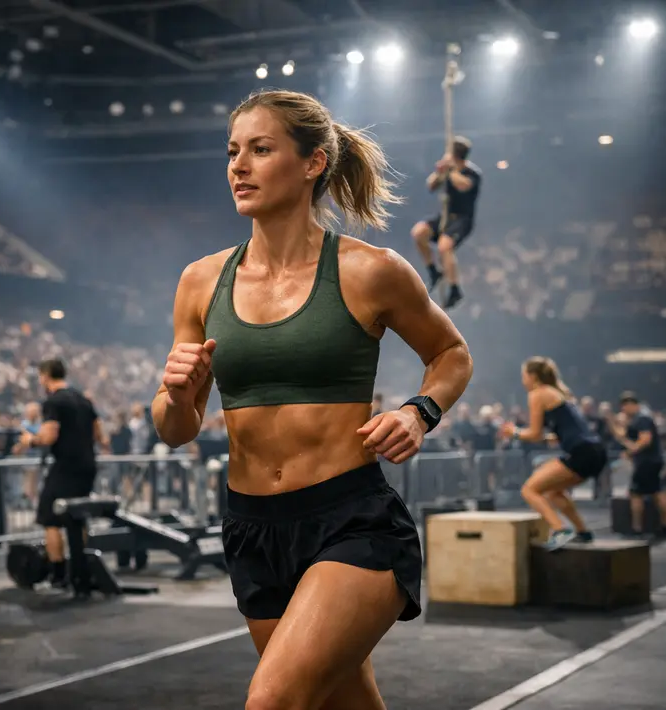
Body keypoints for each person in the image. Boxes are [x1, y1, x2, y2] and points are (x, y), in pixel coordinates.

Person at [153, 89, 473, 709]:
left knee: (272, 702)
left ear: (312, 163)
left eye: (261, 149)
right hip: (252, 529)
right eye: (232, 152)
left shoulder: (369, 270)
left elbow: (451, 354)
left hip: (350, 523)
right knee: (343, 704)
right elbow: (175, 429)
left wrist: (418, 412)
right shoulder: (200, 280)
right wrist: (174, 394)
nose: (238, 166)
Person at [12, 359, 109, 594]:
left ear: (45, 376)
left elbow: (48, 437)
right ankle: (80, 569)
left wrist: (29, 440)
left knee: (50, 519)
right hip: (87, 465)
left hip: (65, 466)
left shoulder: (53, 401)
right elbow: (101, 436)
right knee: (77, 517)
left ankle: (58, 575)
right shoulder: (83, 399)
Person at [500, 357, 606, 551]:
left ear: (533, 376)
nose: (523, 381)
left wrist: (514, 432)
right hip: (595, 451)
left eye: (524, 376)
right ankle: (583, 532)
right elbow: (554, 436)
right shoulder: (556, 392)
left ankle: (560, 530)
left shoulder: (537, 394)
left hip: (582, 452)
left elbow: (534, 433)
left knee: (529, 490)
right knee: (552, 491)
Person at [410, 136, 481, 309]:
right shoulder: (448, 171)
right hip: (445, 217)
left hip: (462, 220)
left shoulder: (472, 173)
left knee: (444, 246)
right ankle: (433, 271)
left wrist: (450, 170)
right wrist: (439, 172)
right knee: (419, 233)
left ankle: (455, 289)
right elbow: (431, 186)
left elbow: (462, 186)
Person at [613, 392, 665, 536]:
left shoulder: (642, 418)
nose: (623, 411)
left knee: (636, 494)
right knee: (657, 492)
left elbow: (645, 440)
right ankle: (663, 525)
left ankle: (637, 528)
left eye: (624, 407)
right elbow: (629, 440)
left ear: (630, 405)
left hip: (646, 462)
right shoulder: (638, 419)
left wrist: (630, 452)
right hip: (651, 461)